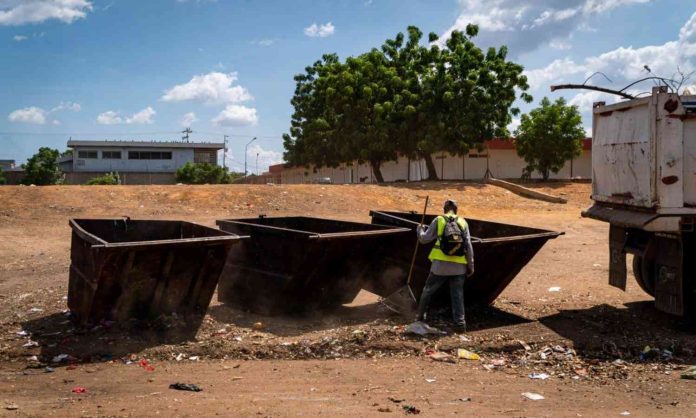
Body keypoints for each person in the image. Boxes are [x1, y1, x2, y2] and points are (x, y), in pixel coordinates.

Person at [416, 199, 474, 331]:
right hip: (459, 268)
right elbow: (468, 246)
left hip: (439, 267)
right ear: (456, 210)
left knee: (427, 291)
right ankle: (460, 325)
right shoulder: (463, 222)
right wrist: (471, 265)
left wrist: (419, 230)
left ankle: (419, 318)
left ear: (444, 209)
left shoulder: (439, 220)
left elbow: (424, 239)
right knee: (457, 295)